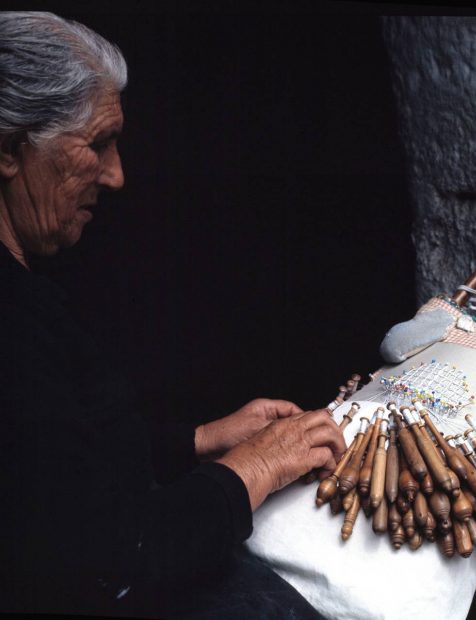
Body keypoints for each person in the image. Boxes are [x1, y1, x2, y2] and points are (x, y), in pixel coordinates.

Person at [0, 12, 346, 618]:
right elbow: (100, 561)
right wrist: (254, 467)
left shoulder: (26, 289)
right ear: (9, 149)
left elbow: (52, 469)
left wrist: (197, 444)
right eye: (97, 144)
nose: (116, 175)